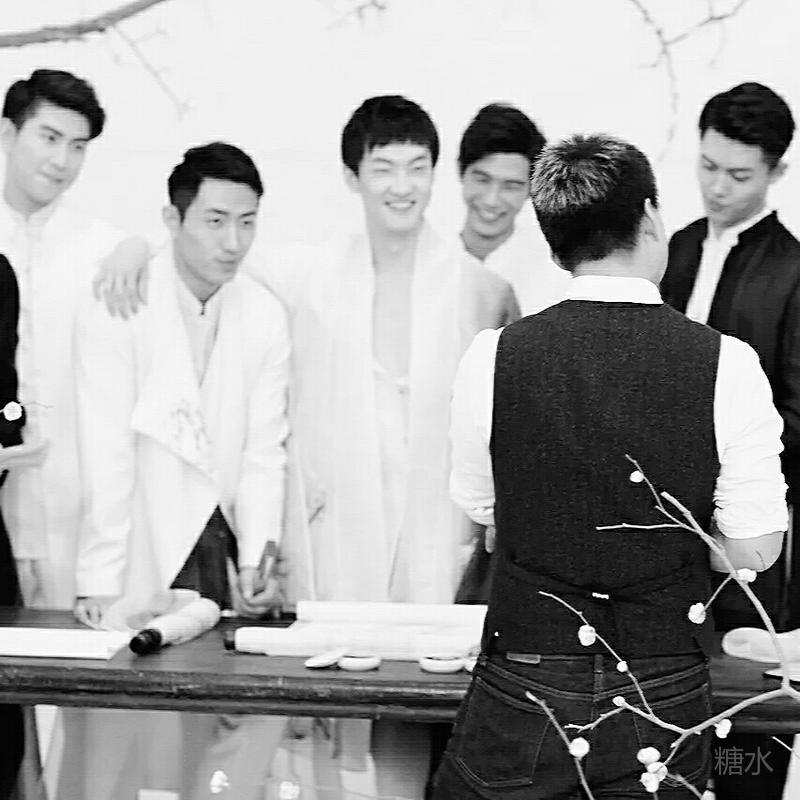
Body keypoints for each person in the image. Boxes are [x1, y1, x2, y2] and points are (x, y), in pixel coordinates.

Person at [434, 133, 787, 800]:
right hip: (663, 679)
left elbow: (482, 505)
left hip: (527, 668)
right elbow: (754, 550)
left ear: (554, 246)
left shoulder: (493, 356)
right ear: (650, 216)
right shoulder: (728, 363)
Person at [68, 142, 290, 800]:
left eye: (247, 222)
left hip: (218, 553)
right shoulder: (122, 299)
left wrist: (259, 556)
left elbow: (265, 450)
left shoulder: (262, 312)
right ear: (173, 219)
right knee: (119, 746)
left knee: (216, 749)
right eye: (215, 221)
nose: (233, 241)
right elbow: (105, 450)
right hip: (138, 543)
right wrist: (99, 577)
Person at [661, 81, 800, 800]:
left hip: (749, 542)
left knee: (747, 739)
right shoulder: (675, 248)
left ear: (777, 171)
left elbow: (797, 418)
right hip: (662, 534)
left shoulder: (794, 272)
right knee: (663, 737)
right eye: (708, 166)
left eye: (738, 175)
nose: (717, 187)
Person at [0, 69, 135, 611]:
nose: (62, 160)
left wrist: (138, 251)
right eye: (49, 138)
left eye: (78, 146)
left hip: (71, 514)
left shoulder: (103, 251)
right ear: (8, 133)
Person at [457, 103, 569, 315]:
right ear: (461, 172)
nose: (492, 200)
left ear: (531, 189)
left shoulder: (553, 275)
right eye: (482, 180)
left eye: (511, 186)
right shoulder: (427, 257)